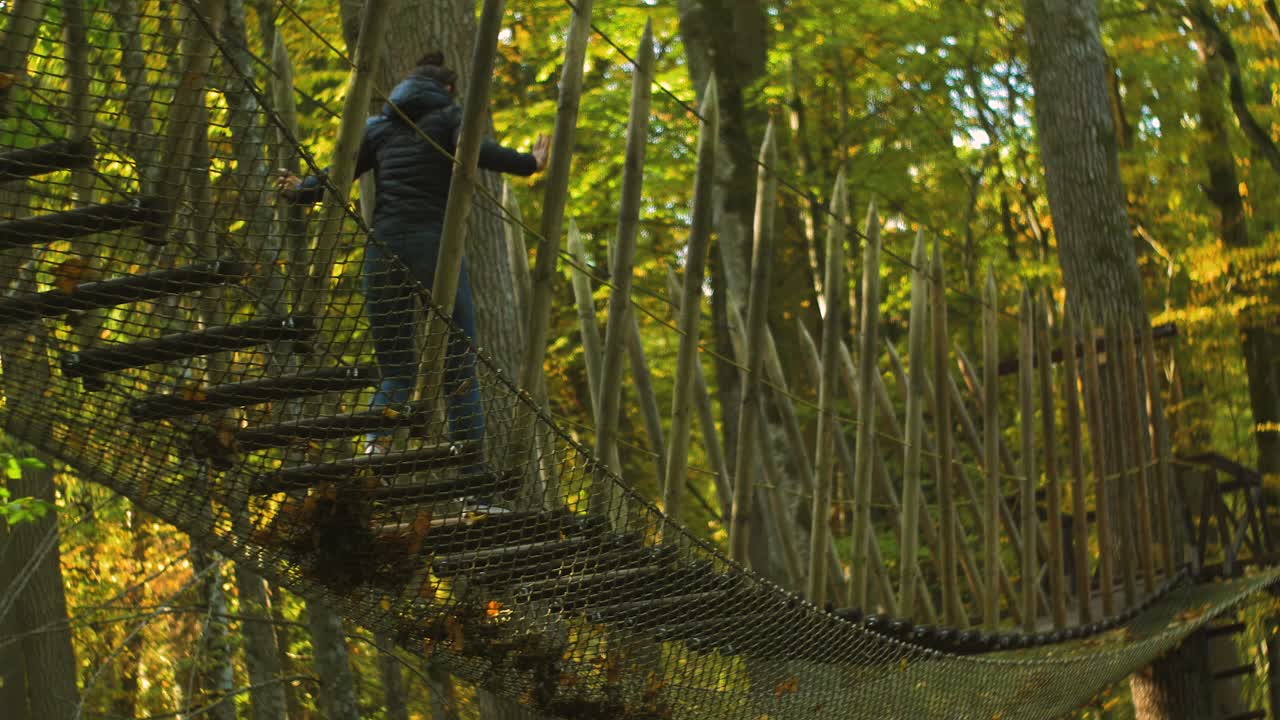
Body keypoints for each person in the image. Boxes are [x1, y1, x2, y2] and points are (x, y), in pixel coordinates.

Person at [279, 52, 549, 464]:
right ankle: (469, 473)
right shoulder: (449, 118)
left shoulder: (378, 127)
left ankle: (375, 451)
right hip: (434, 250)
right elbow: (478, 150)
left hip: (383, 250)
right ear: (449, 89)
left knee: (396, 370)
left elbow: (340, 172)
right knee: (458, 364)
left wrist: (303, 190)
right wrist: (531, 163)